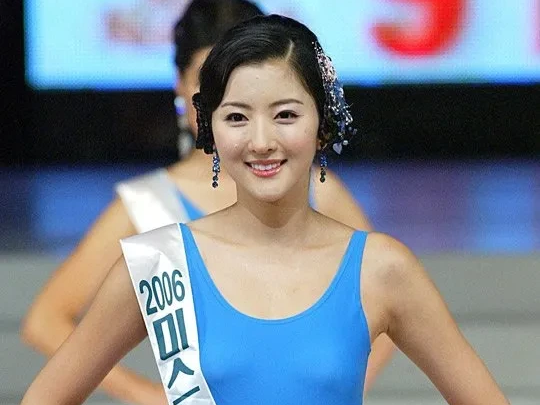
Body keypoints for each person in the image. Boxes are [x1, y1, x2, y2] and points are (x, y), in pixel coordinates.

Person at [21, 14, 509, 405]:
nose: (261, 141)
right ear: (211, 129)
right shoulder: (158, 265)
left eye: (286, 115)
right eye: (237, 117)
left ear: (322, 123)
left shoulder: (382, 269)